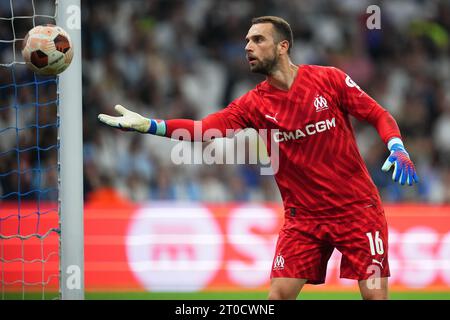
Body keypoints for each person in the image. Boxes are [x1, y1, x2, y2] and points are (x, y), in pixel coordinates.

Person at [98, 16, 418, 300]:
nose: (248, 46)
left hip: (356, 210)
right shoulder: (254, 104)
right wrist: (152, 125)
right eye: (247, 41)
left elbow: (378, 114)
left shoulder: (328, 80)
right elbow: (206, 129)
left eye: (257, 39)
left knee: (375, 296)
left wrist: (396, 145)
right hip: (304, 219)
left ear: (283, 46)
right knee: (277, 296)